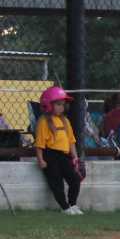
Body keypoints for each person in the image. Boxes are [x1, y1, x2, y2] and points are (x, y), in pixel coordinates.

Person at [33, 85, 83, 215]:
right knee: (57, 183)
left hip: (64, 156)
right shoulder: (44, 121)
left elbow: (71, 141)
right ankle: (65, 207)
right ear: (48, 105)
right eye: (58, 104)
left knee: (75, 180)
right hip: (50, 155)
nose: (62, 107)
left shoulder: (65, 121)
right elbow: (40, 144)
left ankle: (73, 204)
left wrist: (75, 157)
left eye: (63, 104)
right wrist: (41, 159)